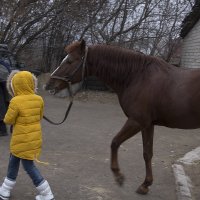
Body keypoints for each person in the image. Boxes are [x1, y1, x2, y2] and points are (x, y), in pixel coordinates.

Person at [0, 70, 54, 200]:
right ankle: (5, 190)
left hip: (20, 140)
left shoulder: (15, 101)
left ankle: (47, 193)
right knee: (14, 162)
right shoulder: (39, 99)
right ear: (31, 83)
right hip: (34, 139)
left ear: (15, 85)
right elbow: (40, 117)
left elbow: (8, 120)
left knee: (28, 166)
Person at [0, 59, 11, 136]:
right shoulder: (4, 63)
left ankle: (3, 130)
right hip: (5, 85)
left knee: (1, 107)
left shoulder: (3, 63)